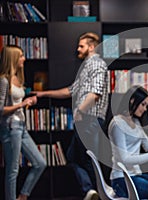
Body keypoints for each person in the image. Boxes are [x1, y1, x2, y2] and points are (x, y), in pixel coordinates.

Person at [32, 32, 108, 200]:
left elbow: (95, 93)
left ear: (91, 46)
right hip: (84, 121)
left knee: (89, 160)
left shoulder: (96, 63)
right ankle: (91, 191)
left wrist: (80, 111)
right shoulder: (86, 66)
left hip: (90, 120)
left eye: (81, 46)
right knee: (73, 157)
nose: (77, 49)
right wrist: (43, 94)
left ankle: (96, 192)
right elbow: (70, 91)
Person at [0, 45, 47, 200]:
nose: (24, 58)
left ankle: (23, 195)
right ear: (13, 58)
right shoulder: (3, 81)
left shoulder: (18, 78)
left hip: (21, 126)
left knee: (40, 163)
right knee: (13, 170)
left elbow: (19, 101)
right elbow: (1, 110)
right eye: (20, 56)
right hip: (10, 127)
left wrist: (29, 101)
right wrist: (21, 104)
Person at [108, 85, 148, 199]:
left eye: (146, 105)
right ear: (132, 101)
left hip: (135, 175)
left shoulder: (135, 122)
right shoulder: (117, 123)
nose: (145, 109)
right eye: (143, 104)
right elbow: (125, 159)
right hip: (121, 179)